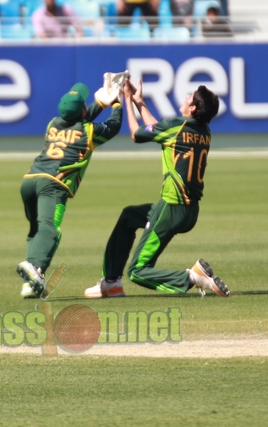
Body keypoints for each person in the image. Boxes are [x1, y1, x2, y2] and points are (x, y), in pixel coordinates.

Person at [84, 79, 231, 299]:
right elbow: (157, 131)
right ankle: (111, 282)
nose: (185, 97)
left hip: (171, 207)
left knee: (137, 271)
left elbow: (137, 134)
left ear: (193, 108)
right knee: (128, 216)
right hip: (189, 211)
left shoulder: (176, 126)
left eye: (189, 97)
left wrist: (126, 100)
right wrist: (140, 102)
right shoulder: (203, 131)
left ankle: (192, 277)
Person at [16, 77, 125, 298]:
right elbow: (113, 126)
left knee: (37, 231)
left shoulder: (54, 123)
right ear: (83, 110)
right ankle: (33, 266)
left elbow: (78, 118)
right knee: (50, 229)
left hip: (30, 180)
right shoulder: (89, 131)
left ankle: (32, 282)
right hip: (53, 185)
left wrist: (100, 104)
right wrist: (116, 103)